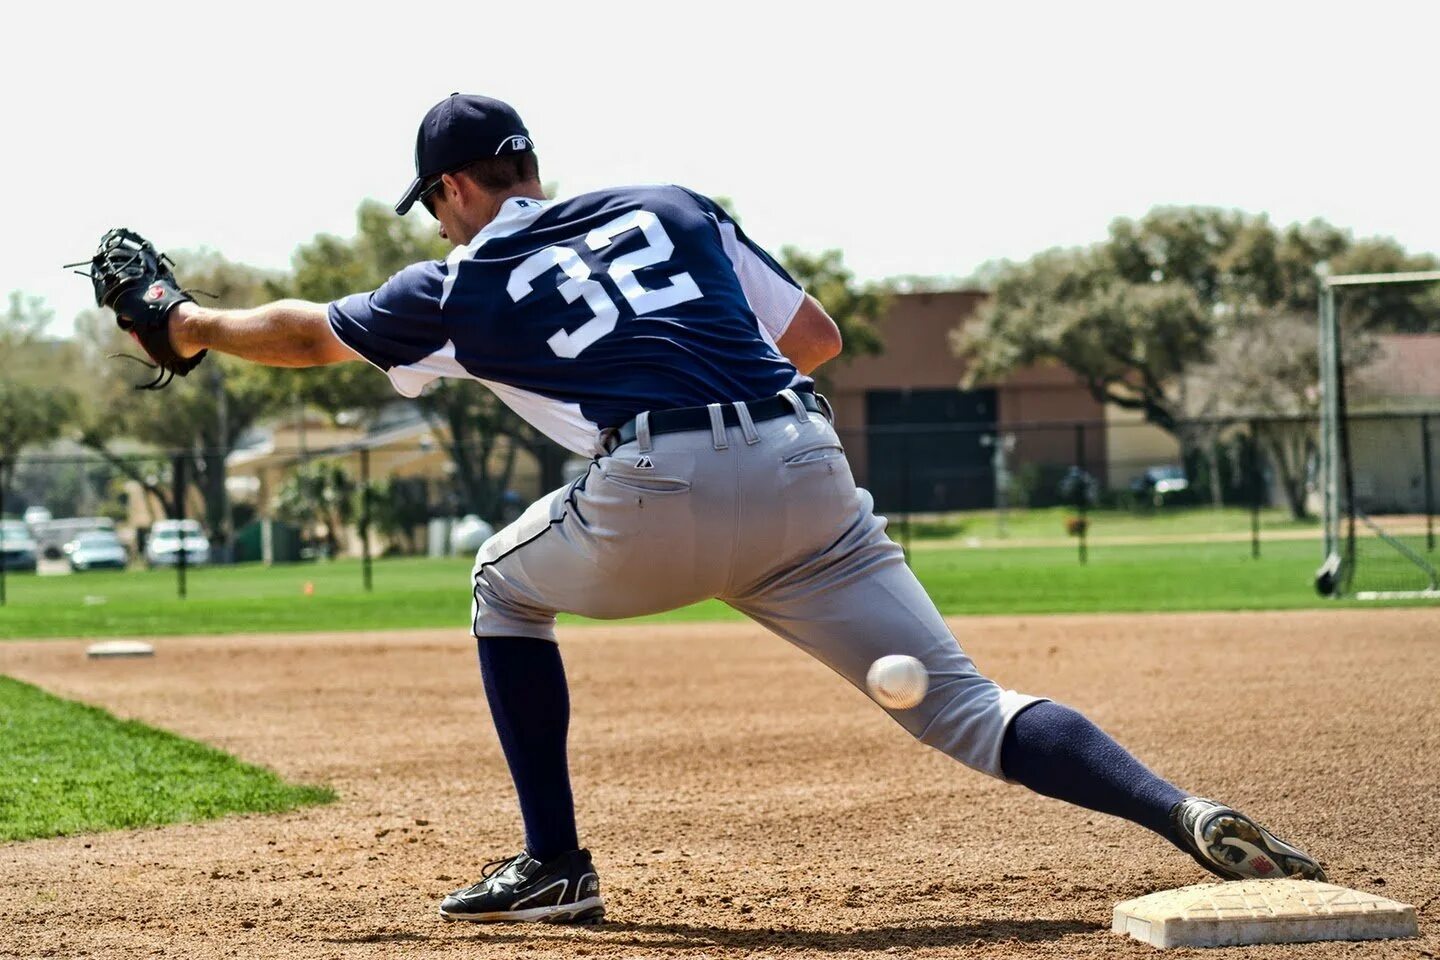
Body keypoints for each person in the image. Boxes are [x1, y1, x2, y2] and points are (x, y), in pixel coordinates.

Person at [163, 93, 1324, 925]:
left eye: (437, 205)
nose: (440, 222)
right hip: (804, 466)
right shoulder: (669, 204)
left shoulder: (463, 281)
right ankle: (1181, 812)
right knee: (966, 705)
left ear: (458, 189)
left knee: (500, 590)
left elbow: (311, 333)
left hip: (655, 491)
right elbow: (813, 338)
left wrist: (186, 322)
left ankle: (556, 864)